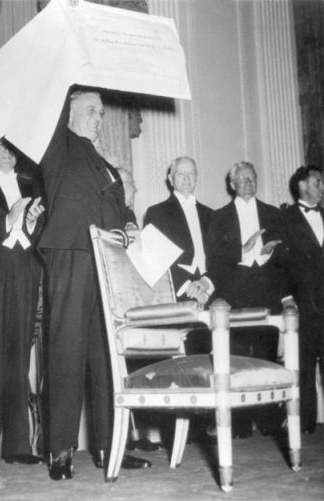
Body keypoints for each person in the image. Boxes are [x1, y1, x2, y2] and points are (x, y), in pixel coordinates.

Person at [38, 88, 150, 480]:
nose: (98, 117)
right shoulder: (56, 143)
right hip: (71, 251)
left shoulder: (102, 159)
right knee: (66, 347)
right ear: (66, 111)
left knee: (106, 353)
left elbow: (116, 202)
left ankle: (109, 444)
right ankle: (60, 450)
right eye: (90, 109)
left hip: (108, 260)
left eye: (101, 112)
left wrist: (130, 221)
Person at [0, 138, 44, 464]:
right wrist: (7, 222)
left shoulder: (32, 183)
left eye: (11, 146)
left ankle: (17, 445)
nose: (5, 152)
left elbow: (40, 232)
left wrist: (29, 225)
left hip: (26, 268)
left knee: (20, 355)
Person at [206, 161, 287, 437]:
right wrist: (243, 249)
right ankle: (239, 426)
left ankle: (269, 422)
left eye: (252, 178)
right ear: (232, 185)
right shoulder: (218, 217)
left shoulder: (274, 214)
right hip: (236, 292)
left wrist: (270, 252)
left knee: (267, 357)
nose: (248, 183)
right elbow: (214, 260)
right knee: (238, 359)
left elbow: (287, 257)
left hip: (267, 290)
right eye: (242, 179)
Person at [143, 156, 214, 352]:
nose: (186, 179)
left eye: (191, 174)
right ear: (170, 178)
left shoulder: (212, 215)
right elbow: (155, 258)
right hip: (179, 294)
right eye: (181, 174)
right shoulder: (156, 213)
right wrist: (188, 286)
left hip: (212, 294)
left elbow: (219, 258)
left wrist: (207, 284)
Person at [281, 165, 324, 435]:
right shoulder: (284, 217)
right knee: (305, 363)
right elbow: (279, 263)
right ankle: (306, 424)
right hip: (304, 301)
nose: (322, 186)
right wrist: (286, 296)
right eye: (318, 181)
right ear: (302, 185)